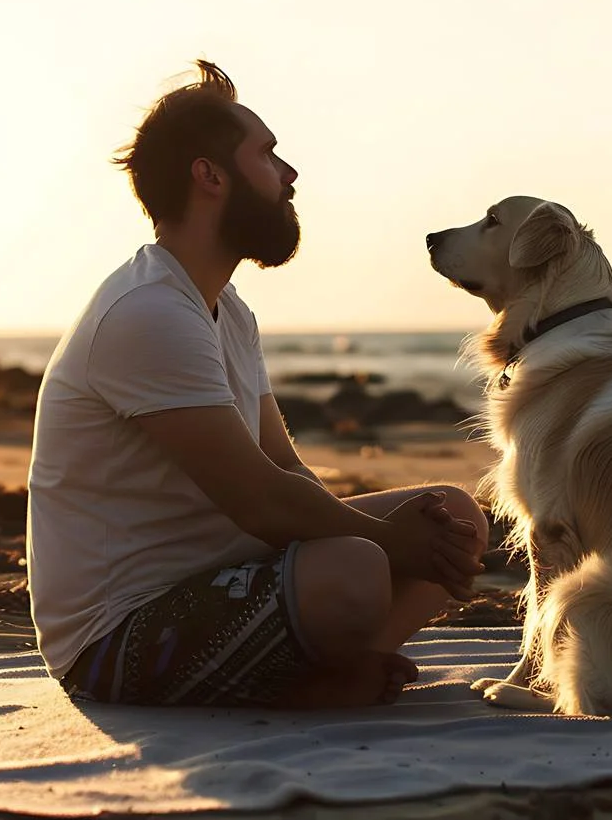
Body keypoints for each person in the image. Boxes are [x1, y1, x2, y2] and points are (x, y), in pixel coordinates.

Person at [25, 60, 488, 709]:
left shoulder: (226, 309)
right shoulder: (148, 312)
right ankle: (318, 677)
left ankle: (333, 668)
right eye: (268, 155)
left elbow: (283, 465)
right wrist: (385, 542)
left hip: (223, 576)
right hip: (114, 638)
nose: (290, 175)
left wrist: (400, 535)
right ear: (210, 176)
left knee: (453, 515)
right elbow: (260, 502)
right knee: (357, 567)